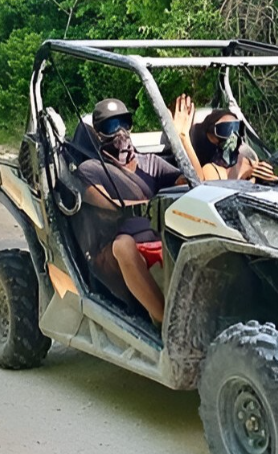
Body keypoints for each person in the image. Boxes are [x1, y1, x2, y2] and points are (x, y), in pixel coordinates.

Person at [76, 97, 201, 325]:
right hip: (113, 254)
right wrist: (150, 207)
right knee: (123, 244)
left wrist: (182, 137)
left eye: (124, 122)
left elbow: (197, 185)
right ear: (98, 133)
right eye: (111, 126)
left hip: (159, 242)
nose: (120, 132)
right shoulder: (91, 169)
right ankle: (165, 322)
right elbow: (106, 203)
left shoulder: (151, 163)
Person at [189, 108, 278, 182]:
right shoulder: (209, 170)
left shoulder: (248, 160)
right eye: (226, 129)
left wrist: (266, 178)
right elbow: (197, 182)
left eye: (238, 127)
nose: (234, 136)